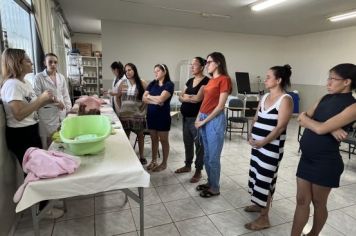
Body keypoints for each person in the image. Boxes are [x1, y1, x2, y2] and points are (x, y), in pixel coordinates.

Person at [291, 63, 356, 236]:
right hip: (307, 159)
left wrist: (322, 126)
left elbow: (317, 127)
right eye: (328, 78)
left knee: (319, 203)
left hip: (326, 162)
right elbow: (302, 116)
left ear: (346, 82)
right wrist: (330, 127)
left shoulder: (353, 106)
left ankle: (313, 234)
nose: (328, 82)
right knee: (301, 200)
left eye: (333, 79)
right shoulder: (325, 98)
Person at [0, 48, 63, 219]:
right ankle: (43, 210)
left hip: (31, 130)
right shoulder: (11, 85)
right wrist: (41, 100)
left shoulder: (24, 83)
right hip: (21, 135)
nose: (31, 63)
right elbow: (19, 114)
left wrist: (48, 102)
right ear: (17, 64)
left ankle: (45, 203)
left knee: (39, 170)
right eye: (27, 60)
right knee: (36, 173)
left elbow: (31, 107)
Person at [243, 64, 293, 230]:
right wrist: (250, 134)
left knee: (266, 179)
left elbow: (280, 127)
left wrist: (263, 142)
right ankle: (258, 204)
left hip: (271, 148)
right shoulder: (264, 97)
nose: (265, 80)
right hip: (257, 146)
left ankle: (264, 218)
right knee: (256, 175)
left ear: (278, 80)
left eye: (268, 77)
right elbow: (256, 117)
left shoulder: (285, 100)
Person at [195, 52, 232, 198]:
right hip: (204, 117)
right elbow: (205, 102)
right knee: (206, 156)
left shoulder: (225, 79)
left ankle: (215, 188)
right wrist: (199, 117)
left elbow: (220, 106)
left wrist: (204, 121)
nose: (206, 65)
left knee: (213, 158)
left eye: (209, 62)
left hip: (214, 120)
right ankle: (210, 182)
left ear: (218, 63)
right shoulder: (210, 81)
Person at [175, 57, 209, 183]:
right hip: (185, 118)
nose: (192, 67)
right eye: (191, 64)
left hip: (197, 119)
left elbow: (198, 99)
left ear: (202, 66)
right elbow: (180, 96)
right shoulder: (190, 80)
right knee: (187, 143)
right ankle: (187, 165)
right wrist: (187, 97)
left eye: (195, 64)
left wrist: (186, 97)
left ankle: (198, 171)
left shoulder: (206, 81)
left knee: (199, 146)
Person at [34, 53, 72, 149]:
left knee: (60, 137)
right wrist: (55, 102)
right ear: (45, 63)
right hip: (47, 113)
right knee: (48, 141)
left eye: (55, 62)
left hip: (61, 111)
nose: (53, 64)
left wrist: (68, 109)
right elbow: (37, 96)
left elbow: (65, 94)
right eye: (50, 62)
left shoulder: (61, 77)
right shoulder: (39, 77)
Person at [143, 64, 174, 172]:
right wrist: (156, 99)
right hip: (151, 115)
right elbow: (143, 98)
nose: (155, 73)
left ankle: (164, 163)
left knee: (163, 140)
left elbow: (161, 99)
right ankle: (154, 161)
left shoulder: (169, 85)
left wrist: (150, 97)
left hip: (163, 116)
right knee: (153, 139)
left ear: (164, 71)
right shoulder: (152, 83)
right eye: (154, 71)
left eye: (158, 71)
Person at [116, 63, 148, 165]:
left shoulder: (142, 83)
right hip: (124, 115)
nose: (127, 72)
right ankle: (127, 155)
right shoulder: (123, 83)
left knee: (140, 135)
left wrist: (142, 108)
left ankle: (142, 156)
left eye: (129, 70)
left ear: (134, 70)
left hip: (137, 115)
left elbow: (147, 97)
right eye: (126, 71)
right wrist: (121, 108)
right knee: (126, 136)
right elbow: (117, 97)